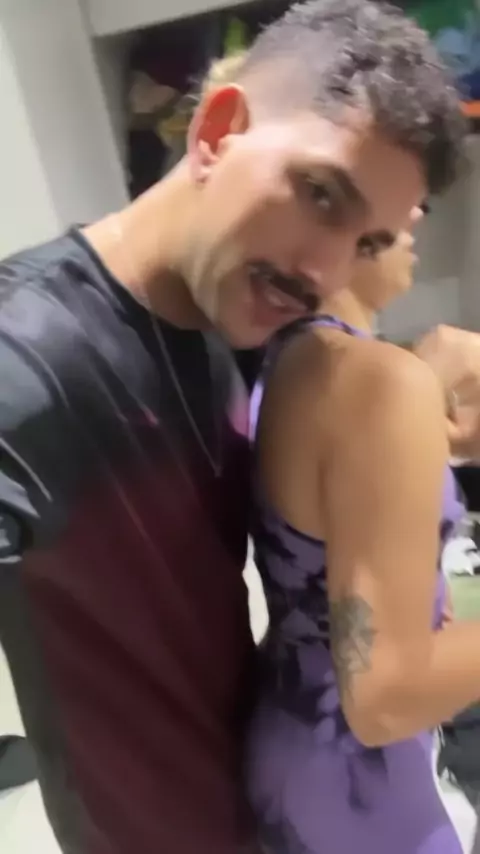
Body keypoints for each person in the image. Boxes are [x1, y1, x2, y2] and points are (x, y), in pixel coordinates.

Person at [0, 1, 465, 852]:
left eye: (367, 242)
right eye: (320, 195)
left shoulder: (237, 321)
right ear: (217, 131)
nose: (325, 268)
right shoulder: (26, 352)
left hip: (266, 806)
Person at [246, 207, 469, 853]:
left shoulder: (296, 356)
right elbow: (384, 699)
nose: (418, 211)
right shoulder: (377, 382)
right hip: (358, 779)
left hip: (300, 736)